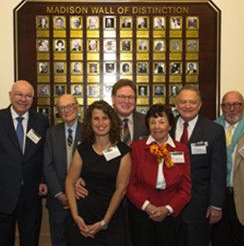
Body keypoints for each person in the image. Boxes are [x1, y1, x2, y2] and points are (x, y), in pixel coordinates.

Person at [65, 100, 132, 246]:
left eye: (104, 118)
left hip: (111, 221)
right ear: (90, 122)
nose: (100, 122)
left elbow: (121, 190)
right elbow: (70, 182)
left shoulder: (123, 151)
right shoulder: (82, 149)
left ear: (111, 121)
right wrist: (75, 216)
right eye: (96, 118)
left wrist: (104, 222)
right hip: (82, 220)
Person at [170, 85, 227, 246]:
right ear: (176, 105)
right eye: (183, 102)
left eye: (192, 102)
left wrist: (216, 205)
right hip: (169, 206)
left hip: (199, 207)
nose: (188, 106)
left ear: (200, 105)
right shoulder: (166, 128)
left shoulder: (214, 130)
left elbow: (218, 171)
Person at [127, 104, 191, 246]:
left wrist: (167, 209)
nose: (157, 126)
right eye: (152, 122)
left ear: (170, 125)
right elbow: (130, 184)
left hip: (170, 215)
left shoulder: (181, 149)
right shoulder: (136, 148)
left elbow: (185, 188)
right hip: (142, 214)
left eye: (161, 122)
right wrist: (147, 206)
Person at [0, 80, 49, 246]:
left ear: (33, 99)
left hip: (31, 195)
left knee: (30, 241)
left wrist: (43, 180)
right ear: (10, 96)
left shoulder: (41, 121)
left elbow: (44, 154)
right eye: (19, 94)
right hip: (3, 195)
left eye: (28, 96)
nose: (23, 99)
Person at [211, 91, 244, 246]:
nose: (231, 108)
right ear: (222, 107)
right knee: (220, 239)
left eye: (236, 104)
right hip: (218, 198)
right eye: (227, 105)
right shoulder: (212, 129)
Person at [43, 94, 82, 246]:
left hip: (81, 198)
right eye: (62, 107)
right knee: (58, 240)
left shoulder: (88, 131)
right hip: (57, 202)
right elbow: (47, 165)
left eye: (70, 106)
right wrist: (60, 194)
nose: (66, 110)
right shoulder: (51, 133)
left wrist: (74, 193)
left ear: (77, 107)